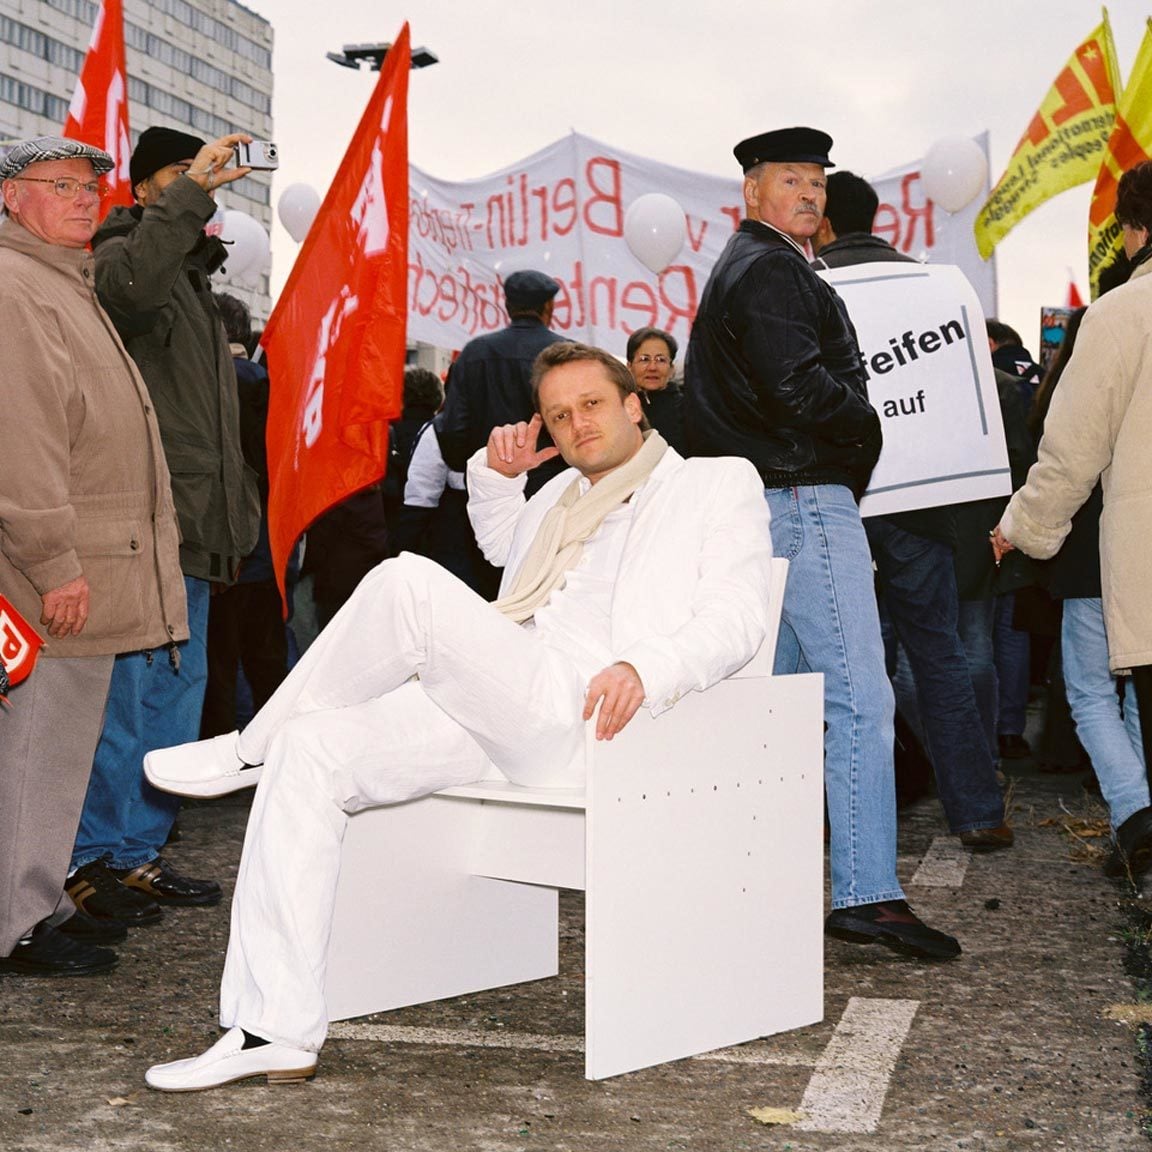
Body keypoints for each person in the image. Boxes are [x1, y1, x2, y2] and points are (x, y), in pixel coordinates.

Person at [138, 340, 774, 1090]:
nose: (577, 425)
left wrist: (648, 667)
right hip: (503, 706)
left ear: (636, 404)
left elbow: (738, 617)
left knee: (407, 585)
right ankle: (271, 1029)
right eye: (559, 415)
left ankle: (249, 747)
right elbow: (510, 551)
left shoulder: (712, 484)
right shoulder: (561, 496)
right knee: (312, 750)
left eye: (593, 405)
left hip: (588, 718)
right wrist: (499, 479)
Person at [685, 126, 959, 960]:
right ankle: (868, 892)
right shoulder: (769, 267)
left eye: (817, 183)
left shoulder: (753, 261)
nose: (809, 195)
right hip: (802, 499)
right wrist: (865, 424)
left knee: (786, 703)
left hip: (776, 501)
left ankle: (761, 879)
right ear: (752, 191)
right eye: (792, 181)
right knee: (858, 702)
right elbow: (798, 387)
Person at [0, 136, 186, 975]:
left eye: (90, 186)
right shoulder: (16, 288)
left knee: (57, 751)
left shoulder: (56, 283)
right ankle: (16, 923)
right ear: (11, 197)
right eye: (61, 185)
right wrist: (53, 562)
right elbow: (22, 441)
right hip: (53, 572)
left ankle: (32, 902)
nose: (84, 199)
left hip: (85, 562)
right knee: (37, 751)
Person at [66, 127, 260, 923]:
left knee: (176, 703)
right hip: (143, 523)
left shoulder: (193, 279)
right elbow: (129, 294)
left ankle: (139, 853)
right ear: (146, 189)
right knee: (125, 703)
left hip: (198, 527)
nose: (203, 182)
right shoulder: (118, 252)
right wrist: (186, 200)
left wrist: (237, 508)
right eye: (183, 174)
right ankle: (88, 861)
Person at [811, 171, 1009, 850]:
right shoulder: (938, 286)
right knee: (939, 653)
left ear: (824, 223)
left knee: (844, 668)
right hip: (925, 510)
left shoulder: (808, 289)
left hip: (840, 504)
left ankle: (851, 816)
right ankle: (979, 809)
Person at [994, 160, 1152, 874]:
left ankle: (1139, 819)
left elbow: (1071, 449)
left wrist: (1021, 529)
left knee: (1097, 687)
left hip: (1137, 558)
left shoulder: (1121, 313)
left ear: (1130, 232)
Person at [199, 293, 290, 738]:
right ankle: (272, 746)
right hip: (265, 542)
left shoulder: (203, 381)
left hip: (214, 546)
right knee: (266, 657)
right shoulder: (266, 382)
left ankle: (218, 750)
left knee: (218, 659)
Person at [438, 269, 567, 498]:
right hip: (554, 482)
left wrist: (473, 466)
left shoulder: (474, 353)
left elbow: (453, 427)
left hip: (491, 480)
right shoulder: (566, 354)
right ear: (549, 306)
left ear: (507, 306)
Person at [625, 327, 685, 452]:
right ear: (629, 366)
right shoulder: (618, 407)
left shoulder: (688, 409)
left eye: (661, 360)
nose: (652, 367)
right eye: (644, 359)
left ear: (672, 368)